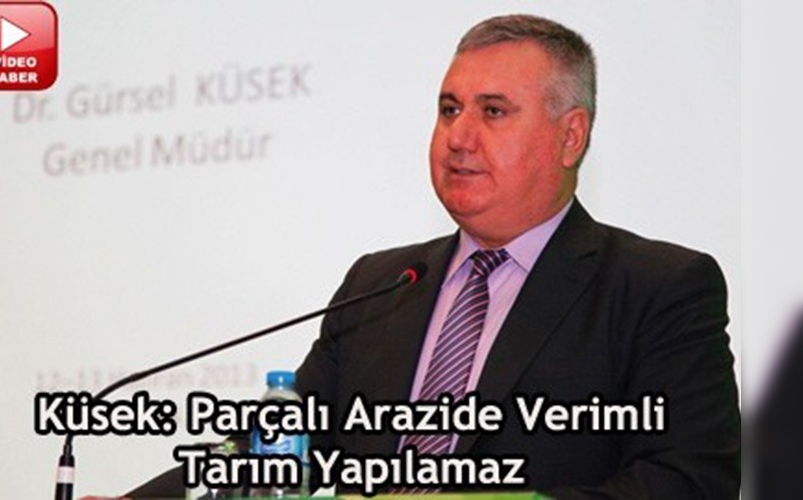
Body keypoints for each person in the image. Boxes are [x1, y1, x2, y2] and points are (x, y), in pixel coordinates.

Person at [120, 13, 740, 499]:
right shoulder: (381, 283)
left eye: (492, 111)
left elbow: (689, 483)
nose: (458, 137)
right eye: (448, 110)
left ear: (570, 135)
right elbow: (273, 451)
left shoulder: (658, 288)